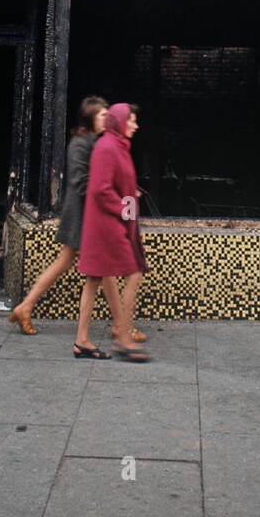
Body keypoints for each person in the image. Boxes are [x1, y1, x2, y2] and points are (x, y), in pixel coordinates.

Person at [9, 96, 141, 343]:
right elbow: (82, 183)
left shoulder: (97, 142)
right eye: (102, 115)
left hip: (88, 214)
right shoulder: (81, 144)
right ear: (90, 118)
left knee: (77, 266)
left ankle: (25, 307)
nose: (107, 119)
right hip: (81, 216)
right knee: (99, 270)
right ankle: (120, 325)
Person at [75, 102, 151, 362]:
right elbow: (100, 190)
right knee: (134, 271)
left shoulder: (117, 146)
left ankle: (82, 341)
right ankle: (123, 337)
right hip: (107, 226)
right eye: (130, 120)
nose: (135, 125)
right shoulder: (108, 147)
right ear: (119, 121)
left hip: (108, 223)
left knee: (94, 279)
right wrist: (125, 209)